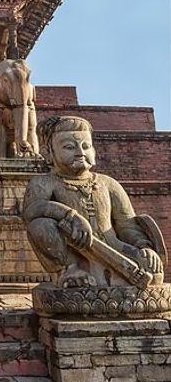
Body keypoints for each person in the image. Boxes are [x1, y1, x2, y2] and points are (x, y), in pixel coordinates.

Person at [23, 115, 164, 288]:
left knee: (153, 271)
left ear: (94, 152)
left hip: (115, 249)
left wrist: (143, 247)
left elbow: (127, 225)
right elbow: (32, 210)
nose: (80, 152)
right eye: (69, 147)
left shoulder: (108, 183)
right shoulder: (44, 182)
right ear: (48, 153)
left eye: (86, 146)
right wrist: (69, 214)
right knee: (40, 225)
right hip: (76, 253)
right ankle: (68, 270)